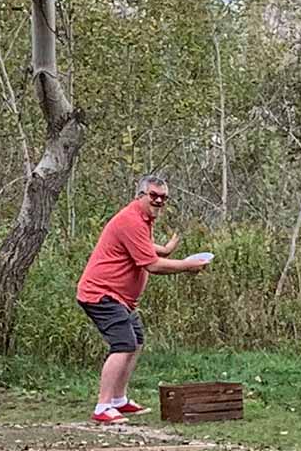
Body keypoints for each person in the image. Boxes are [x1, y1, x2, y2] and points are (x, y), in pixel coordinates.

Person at [76, 176, 209, 425]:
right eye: (153, 195)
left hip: (122, 298)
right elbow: (152, 265)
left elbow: (144, 247)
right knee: (123, 344)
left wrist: (166, 249)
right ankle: (103, 406)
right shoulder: (131, 219)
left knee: (136, 341)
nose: (158, 201)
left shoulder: (143, 220)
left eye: (163, 197)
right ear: (140, 195)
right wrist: (186, 265)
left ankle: (118, 400)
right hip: (100, 293)